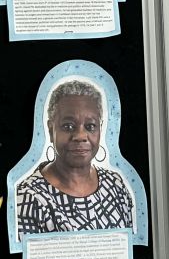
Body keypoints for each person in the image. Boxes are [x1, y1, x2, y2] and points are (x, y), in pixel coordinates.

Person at [14, 79, 135, 236]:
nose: (80, 136)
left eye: (90, 126)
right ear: (51, 130)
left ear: (100, 129)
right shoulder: (29, 197)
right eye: (68, 126)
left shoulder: (116, 185)